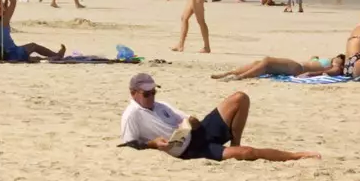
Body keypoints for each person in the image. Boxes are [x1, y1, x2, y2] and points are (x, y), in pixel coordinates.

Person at [118, 74, 318, 162]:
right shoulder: (132, 114)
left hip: (197, 132)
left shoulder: (160, 105)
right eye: (146, 94)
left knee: (240, 98)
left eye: (153, 92)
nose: (151, 96)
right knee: (248, 153)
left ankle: (235, 141)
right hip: (189, 148)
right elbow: (129, 143)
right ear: (133, 93)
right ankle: (295, 155)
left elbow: (185, 118)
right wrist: (153, 144)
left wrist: (192, 121)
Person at [214, 54, 347, 81]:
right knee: (258, 63)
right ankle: (229, 73)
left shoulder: (338, 60)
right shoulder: (332, 59)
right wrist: (314, 59)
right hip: (298, 66)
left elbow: (334, 70)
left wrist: (312, 74)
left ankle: (239, 77)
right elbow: (314, 62)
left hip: (298, 68)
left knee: (267, 61)